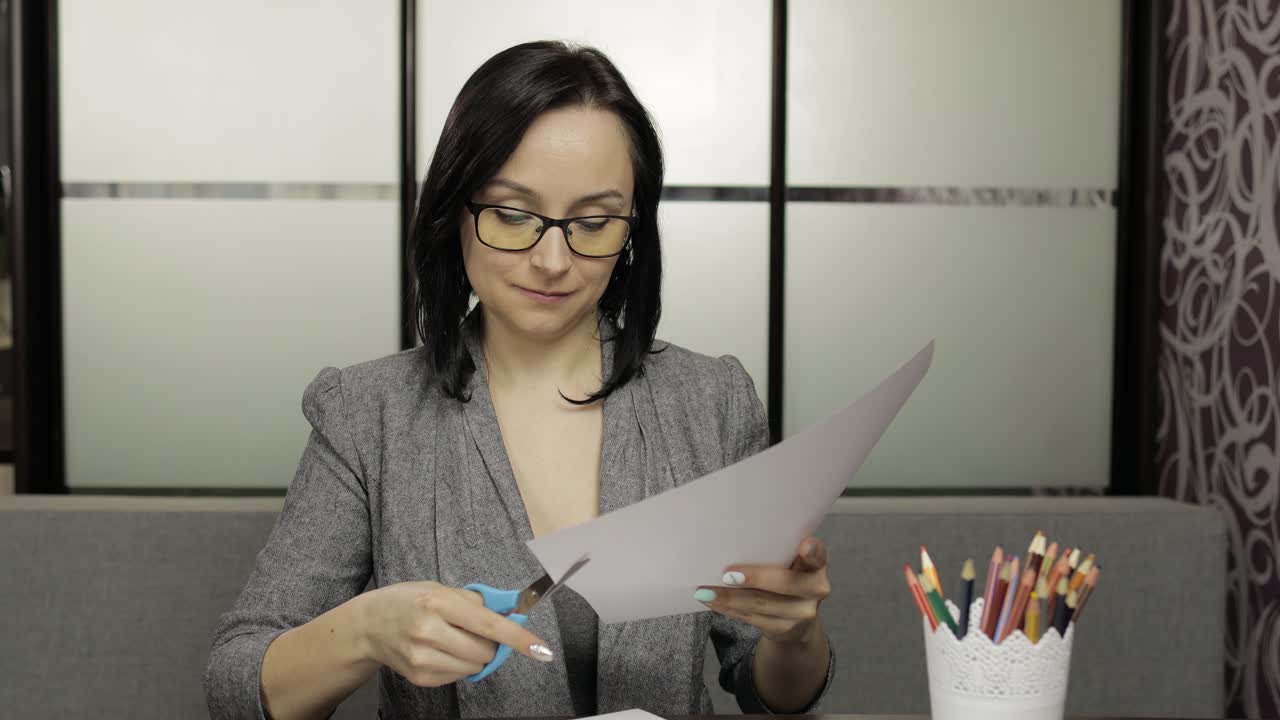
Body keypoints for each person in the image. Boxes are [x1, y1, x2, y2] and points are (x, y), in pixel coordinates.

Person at [205, 41, 835, 720]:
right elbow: (237, 684)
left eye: (593, 223)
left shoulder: (711, 404)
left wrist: (793, 633)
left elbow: (774, 693)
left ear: (630, 231)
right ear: (455, 213)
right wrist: (366, 631)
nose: (553, 260)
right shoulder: (368, 415)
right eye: (512, 215)